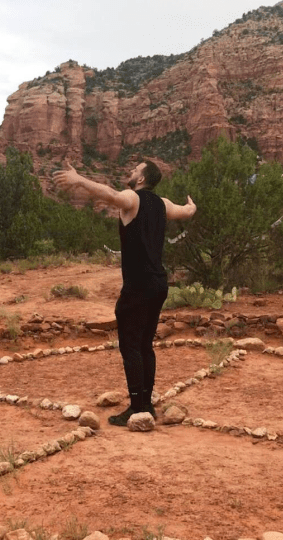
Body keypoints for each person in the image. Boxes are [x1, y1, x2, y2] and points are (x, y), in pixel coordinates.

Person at [53, 160, 196, 426]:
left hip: (138, 286)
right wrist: (192, 207)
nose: (130, 172)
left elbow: (111, 195)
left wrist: (79, 179)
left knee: (130, 346)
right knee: (145, 345)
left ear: (141, 180)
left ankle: (136, 407)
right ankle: (146, 404)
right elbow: (185, 212)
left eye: (135, 170)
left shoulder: (133, 197)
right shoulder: (163, 204)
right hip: (158, 284)